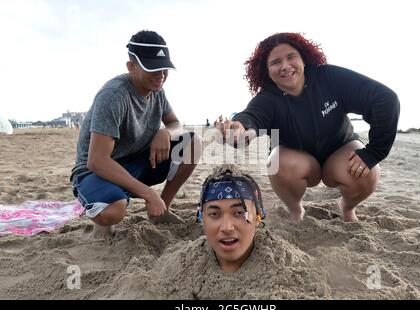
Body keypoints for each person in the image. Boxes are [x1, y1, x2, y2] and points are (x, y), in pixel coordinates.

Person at [215, 32, 400, 222]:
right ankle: (295, 210)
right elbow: (251, 120)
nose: (285, 66)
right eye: (276, 62)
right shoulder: (267, 99)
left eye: (291, 57)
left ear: (303, 58)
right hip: (298, 160)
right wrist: (239, 131)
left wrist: (375, 152)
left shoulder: (329, 77)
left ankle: (347, 208)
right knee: (276, 163)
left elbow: (385, 99)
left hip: (340, 151)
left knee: (368, 171)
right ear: (266, 71)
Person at [70, 30, 202, 237]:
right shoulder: (113, 96)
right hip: (95, 171)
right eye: (152, 68)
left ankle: (161, 210)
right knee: (113, 210)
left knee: (194, 143)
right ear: (131, 67)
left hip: (137, 162)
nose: (160, 75)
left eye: (164, 68)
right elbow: (96, 161)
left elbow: (176, 123)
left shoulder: (156, 89)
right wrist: (149, 194)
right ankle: (104, 218)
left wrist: (165, 132)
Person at [196, 164, 266, 272]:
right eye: (214, 214)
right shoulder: (178, 269)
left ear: (258, 216)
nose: (227, 228)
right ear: (202, 218)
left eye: (239, 213)